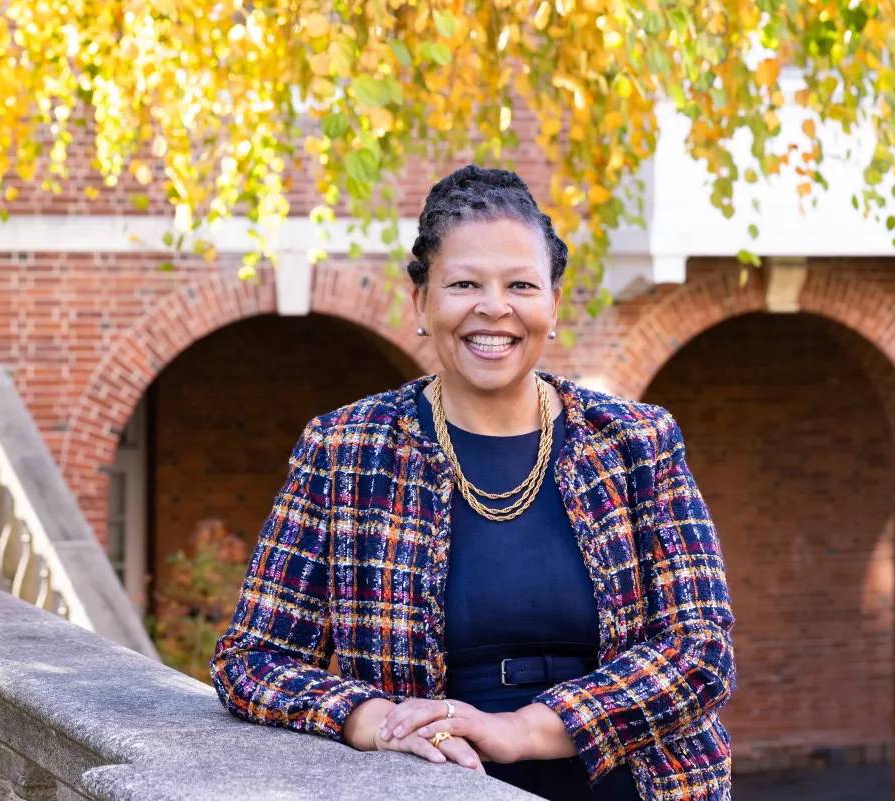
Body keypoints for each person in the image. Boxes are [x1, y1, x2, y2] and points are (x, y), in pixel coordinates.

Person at [210, 165, 736, 800]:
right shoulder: (347, 449)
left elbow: (700, 650)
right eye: (464, 284)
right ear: (422, 303)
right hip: (434, 786)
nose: (495, 307)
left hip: (637, 785)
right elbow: (252, 661)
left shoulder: (637, 442)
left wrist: (521, 729)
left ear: (553, 303)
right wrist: (375, 722)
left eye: (521, 284)